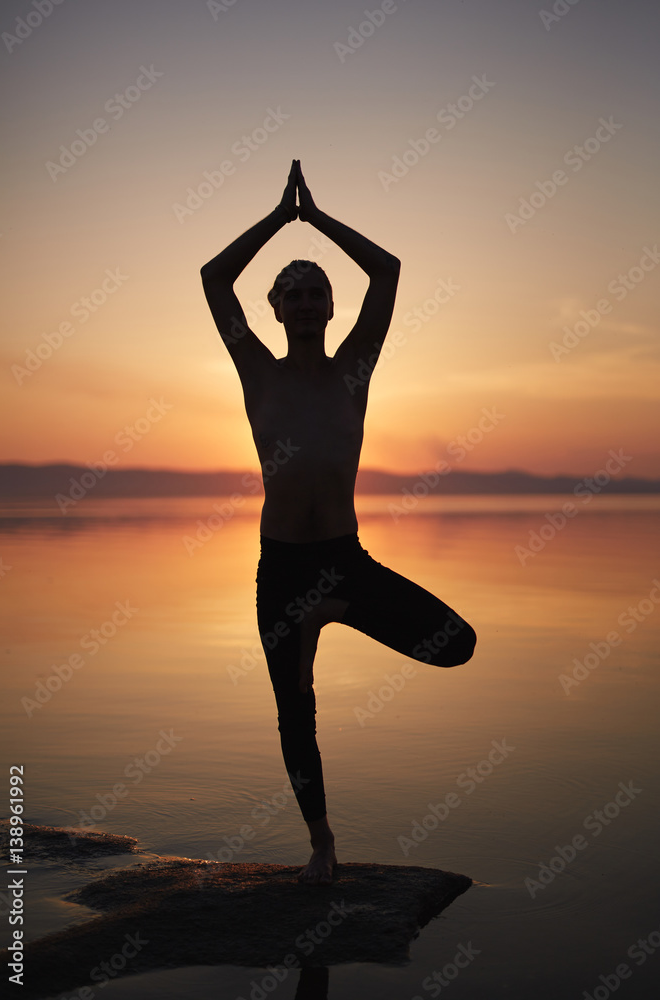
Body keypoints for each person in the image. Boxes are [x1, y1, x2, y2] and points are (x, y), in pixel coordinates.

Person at [200, 160, 476, 885]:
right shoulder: (257, 371)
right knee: (296, 712)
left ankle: (336, 606)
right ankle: (321, 842)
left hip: (345, 562)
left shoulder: (354, 366)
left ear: (329, 307)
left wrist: (314, 217)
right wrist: (275, 217)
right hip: (282, 566)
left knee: (458, 645)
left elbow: (385, 272)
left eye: (315, 289)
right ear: (275, 309)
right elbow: (211, 278)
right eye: (289, 291)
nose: (303, 297)